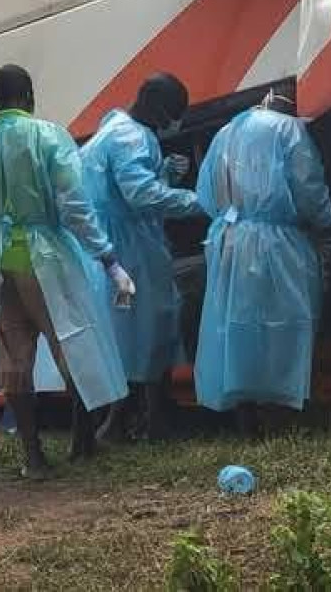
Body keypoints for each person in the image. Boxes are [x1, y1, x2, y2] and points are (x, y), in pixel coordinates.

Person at [0, 65, 135, 479]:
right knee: (72, 343)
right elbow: (75, 206)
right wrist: (108, 258)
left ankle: (33, 457)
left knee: (14, 357)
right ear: (31, 97)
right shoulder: (49, 137)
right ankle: (82, 441)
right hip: (45, 255)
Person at [194, 85, 331, 430]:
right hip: (277, 241)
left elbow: (205, 194)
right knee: (283, 324)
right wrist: (330, 218)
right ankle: (282, 411)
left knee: (236, 328)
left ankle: (246, 414)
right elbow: (308, 188)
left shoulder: (225, 132)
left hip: (228, 239)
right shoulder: (289, 130)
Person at [82, 73, 202, 441]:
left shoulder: (112, 127)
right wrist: (197, 201)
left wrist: (163, 173)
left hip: (110, 245)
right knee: (151, 327)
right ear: (156, 107)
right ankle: (147, 421)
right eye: (174, 114)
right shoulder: (131, 137)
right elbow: (141, 195)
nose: (174, 123)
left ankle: (132, 419)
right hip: (132, 248)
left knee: (127, 332)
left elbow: (124, 187)